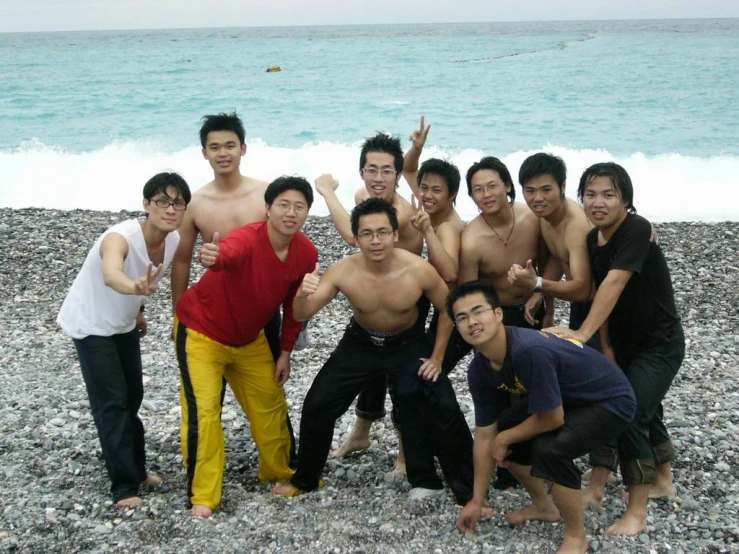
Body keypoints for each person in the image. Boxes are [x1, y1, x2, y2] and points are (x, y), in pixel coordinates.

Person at [273, 199, 474, 505]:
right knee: (318, 403)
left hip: (407, 344)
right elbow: (303, 313)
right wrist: (301, 295)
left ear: (395, 234)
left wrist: (437, 356)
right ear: (356, 237)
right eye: (367, 234)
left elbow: (449, 309)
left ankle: (455, 487)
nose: (375, 240)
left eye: (383, 232)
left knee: (438, 403)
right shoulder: (343, 270)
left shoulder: (418, 269)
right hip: (361, 343)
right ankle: (306, 478)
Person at [546, 162, 685, 536]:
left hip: (660, 344)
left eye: (609, 194)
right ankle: (663, 478)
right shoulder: (593, 242)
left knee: (631, 413)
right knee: (646, 404)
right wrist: (604, 345)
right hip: (623, 346)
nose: (598, 202)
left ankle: (636, 512)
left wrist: (580, 333)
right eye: (590, 194)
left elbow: (615, 284)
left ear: (626, 198)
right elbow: (596, 294)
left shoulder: (636, 230)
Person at [450, 281, 636, 554]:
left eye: (479, 312)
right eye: (462, 318)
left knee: (549, 450)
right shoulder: (480, 369)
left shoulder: (528, 351)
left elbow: (551, 418)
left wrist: (505, 437)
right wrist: (478, 500)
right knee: (506, 436)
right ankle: (544, 506)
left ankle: (576, 537)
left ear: (498, 314)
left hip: (610, 401)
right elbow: (485, 434)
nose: (472, 322)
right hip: (569, 400)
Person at [174, 176, 318, 517]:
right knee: (205, 413)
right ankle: (203, 495)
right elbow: (229, 252)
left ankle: (279, 471)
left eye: (299, 207)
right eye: (283, 205)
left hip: (249, 340)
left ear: (307, 213)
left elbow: (293, 308)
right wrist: (214, 255)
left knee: (270, 402)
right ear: (267, 208)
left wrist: (284, 352)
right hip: (201, 333)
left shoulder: (306, 253)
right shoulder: (247, 237)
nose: (290, 212)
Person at [170, 112, 300, 465]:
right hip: (212, 314)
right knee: (206, 396)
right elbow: (182, 260)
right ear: (204, 153)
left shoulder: (264, 195)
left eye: (230, 145)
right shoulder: (196, 203)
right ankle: (204, 461)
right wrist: (176, 312)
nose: (222, 153)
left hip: (262, 310)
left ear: (243, 148)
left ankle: (283, 462)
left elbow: (291, 239)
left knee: (270, 388)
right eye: (214, 147)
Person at [57, 172, 192, 507]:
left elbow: (143, 279)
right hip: (90, 323)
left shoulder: (172, 240)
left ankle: (137, 468)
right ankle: (124, 487)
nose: (170, 209)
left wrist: (139, 308)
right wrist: (133, 288)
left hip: (123, 322)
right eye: (162, 201)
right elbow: (112, 272)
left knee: (133, 394)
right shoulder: (120, 236)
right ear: (146, 204)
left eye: (178, 203)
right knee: (112, 402)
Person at [316, 133, 423, 472]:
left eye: (387, 171)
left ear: (397, 173)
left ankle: (406, 455)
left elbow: (351, 235)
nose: (378, 178)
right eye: (371, 170)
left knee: (400, 380)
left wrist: (327, 191)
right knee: (370, 363)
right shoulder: (366, 195)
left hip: (408, 299)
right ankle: (361, 433)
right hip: (376, 289)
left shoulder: (399, 213)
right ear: (362, 172)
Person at [507, 152, 598, 348]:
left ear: (562, 186)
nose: (537, 198)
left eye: (546, 189)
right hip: (580, 306)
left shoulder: (575, 226)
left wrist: (537, 284)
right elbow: (558, 256)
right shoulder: (546, 214)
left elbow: (583, 289)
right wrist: (543, 301)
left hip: (601, 309)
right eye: (530, 191)